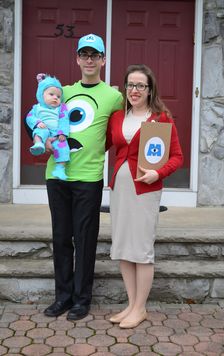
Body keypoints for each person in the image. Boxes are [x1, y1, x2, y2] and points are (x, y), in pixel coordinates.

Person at [43, 34, 123, 320]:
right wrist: (43, 141)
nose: (89, 59)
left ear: (103, 60)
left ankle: (82, 299)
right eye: (84, 54)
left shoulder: (114, 96)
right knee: (61, 237)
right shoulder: (61, 92)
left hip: (89, 177)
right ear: (77, 58)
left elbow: (122, 130)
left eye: (95, 54)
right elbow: (38, 118)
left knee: (85, 238)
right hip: (57, 175)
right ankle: (62, 297)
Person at [106, 64, 183, 328]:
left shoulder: (161, 118)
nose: (134, 90)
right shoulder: (117, 117)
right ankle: (131, 304)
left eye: (141, 85)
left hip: (145, 191)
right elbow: (102, 143)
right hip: (120, 189)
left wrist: (157, 173)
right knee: (124, 248)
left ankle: (140, 308)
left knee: (142, 249)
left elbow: (177, 157)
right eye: (130, 85)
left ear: (150, 90)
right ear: (124, 88)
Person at [26, 73, 70, 180]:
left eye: (58, 96)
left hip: (55, 133)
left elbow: (64, 120)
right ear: (42, 95)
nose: (55, 98)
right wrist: (37, 122)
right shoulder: (37, 108)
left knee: (63, 147)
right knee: (40, 132)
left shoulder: (61, 108)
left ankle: (59, 169)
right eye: (51, 94)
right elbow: (29, 117)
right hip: (43, 128)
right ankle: (38, 144)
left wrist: (62, 133)